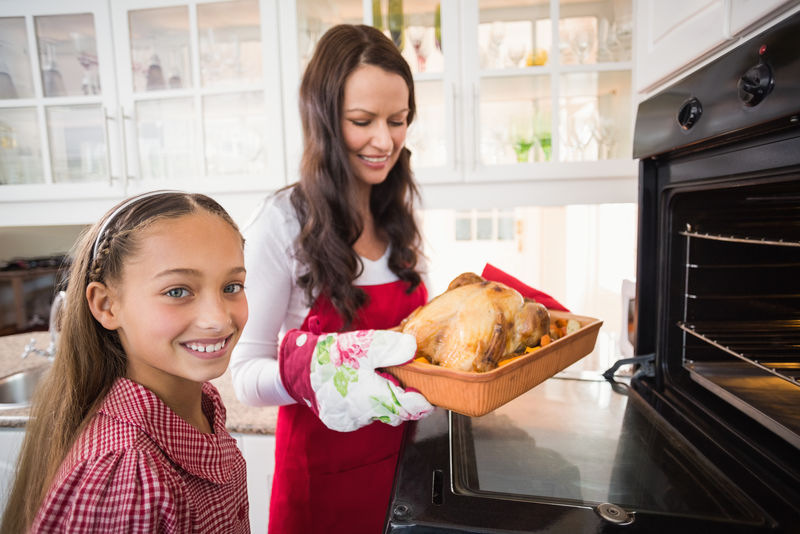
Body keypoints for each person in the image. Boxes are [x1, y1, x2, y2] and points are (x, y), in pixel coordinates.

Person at [230, 24, 433, 534]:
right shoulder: (282, 223)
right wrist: (322, 371)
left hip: (403, 476)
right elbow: (245, 375)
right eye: (362, 121)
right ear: (323, 118)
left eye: (399, 120)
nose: (383, 141)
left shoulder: (399, 213)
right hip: (321, 487)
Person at [1, 191, 250, 534]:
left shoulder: (199, 407)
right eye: (178, 291)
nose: (218, 319)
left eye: (232, 286)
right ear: (106, 305)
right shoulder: (128, 472)